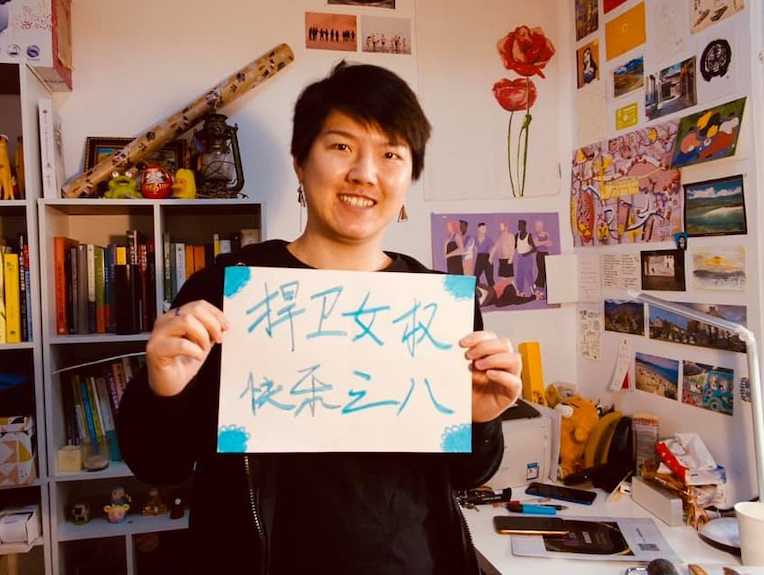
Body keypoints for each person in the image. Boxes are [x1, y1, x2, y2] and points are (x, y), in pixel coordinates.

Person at [117, 61, 522, 575]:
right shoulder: (225, 289)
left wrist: (481, 419)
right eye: (341, 147)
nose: (365, 174)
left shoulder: (441, 305)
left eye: (391, 154)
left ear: (409, 175)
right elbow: (158, 466)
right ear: (299, 162)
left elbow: (464, 475)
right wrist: (162, 391)